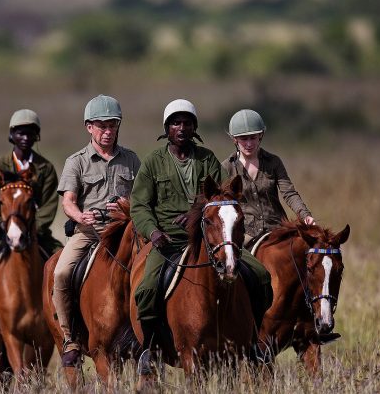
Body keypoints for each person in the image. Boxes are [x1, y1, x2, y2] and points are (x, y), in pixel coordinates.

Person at [130, 99, 272, 372]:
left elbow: (224, 195)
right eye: (175, 123)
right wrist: (153, 231)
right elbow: (139, 205)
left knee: (261, 277)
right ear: (167, 128)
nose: (181, 128)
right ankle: (148, 348)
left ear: (195, 127)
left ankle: (253, 341)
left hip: (212, 239)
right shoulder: (152, 162)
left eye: (187, 123)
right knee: (147, 288)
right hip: (169, 241)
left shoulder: (207, 159)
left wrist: (198, 215)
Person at [0, 109, 64, 349]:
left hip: (37, 235)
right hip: (2, 234)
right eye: (20, 132)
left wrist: (34, 230)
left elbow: (49, 205)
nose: (25, 137)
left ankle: (67, 329)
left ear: (36, 136)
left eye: (30, 133)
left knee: (64, 268)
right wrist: (4, 227)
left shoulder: (46, 169)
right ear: (12, 136)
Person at [52, 94, 141, 365]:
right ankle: (69, 337)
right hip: (89, 233)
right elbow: (67, 200)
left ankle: (153, 336)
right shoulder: (76, 161)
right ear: (89, 127)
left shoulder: (131, 160)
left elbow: (142, 198)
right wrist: (81, 215)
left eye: (112, 125)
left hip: (124, 232)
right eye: (101, 125)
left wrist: (128, 205)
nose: (107, 131)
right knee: (61, 272)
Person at [222, 109, 314, 249]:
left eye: (253, 137)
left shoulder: (273, 162)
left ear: (261, 136)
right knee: (235, 264)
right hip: (246, 233)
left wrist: (305, 215)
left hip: (277, 228)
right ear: (234, 139)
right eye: (244, 139)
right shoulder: (226, 167)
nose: (249, 144)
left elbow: (289, 193)